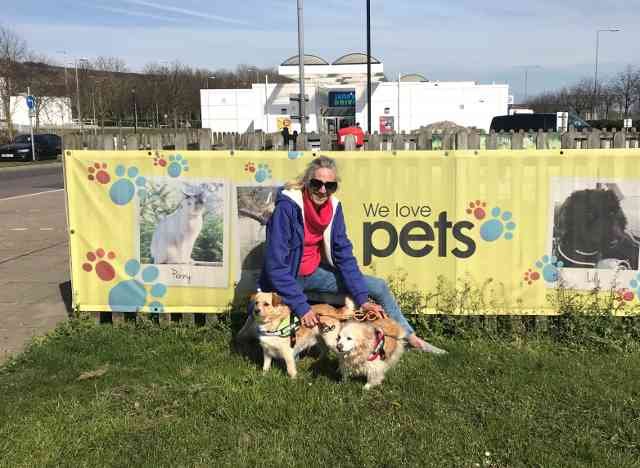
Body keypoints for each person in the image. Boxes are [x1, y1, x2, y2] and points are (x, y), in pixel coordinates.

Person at [256, 155, 446, 353]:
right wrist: (302, 307)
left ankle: (411, 338)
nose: (322, 190)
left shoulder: (334, 209)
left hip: (313, 274)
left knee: (378, 286)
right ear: (306, 182)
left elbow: (343, 254)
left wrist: (363, 299)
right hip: (285, 280)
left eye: (329, 186)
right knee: (286, 354)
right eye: (316, 183)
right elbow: (276, 266)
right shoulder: (287, 208)